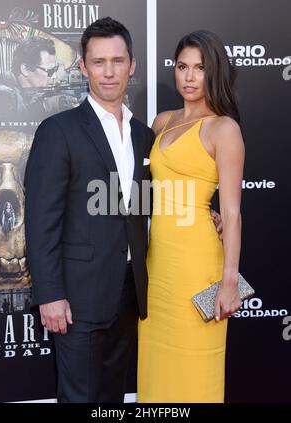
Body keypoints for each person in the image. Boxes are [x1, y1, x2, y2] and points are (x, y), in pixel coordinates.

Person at [24, 17, 154, 403]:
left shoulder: (143, 135)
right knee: (79, 397)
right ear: (83, 66)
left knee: (113, 398)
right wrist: (50, 294)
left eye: (118, 60)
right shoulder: (58, 130)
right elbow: (42, 221)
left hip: (128, 294)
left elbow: (146, 206)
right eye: (99, 62)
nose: (109, 72)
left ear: (132, 65)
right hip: (75, 299)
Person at [138, 30, 244, 402]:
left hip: (198, 265)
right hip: (158, 265)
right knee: (156, 367)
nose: (189, 76)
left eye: (199, 68)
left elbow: (231, 211)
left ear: (213, 72)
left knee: (196, 366)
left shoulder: (224, 129)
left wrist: (229, 282)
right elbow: (149, 192)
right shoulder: (161, 122)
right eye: (182, 66)